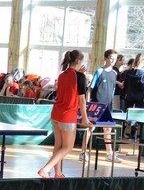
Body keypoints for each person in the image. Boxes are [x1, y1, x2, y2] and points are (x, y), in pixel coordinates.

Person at [38, 50, 89, 179]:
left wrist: (80, 75)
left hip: (56, 113)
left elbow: (70, 86)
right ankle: (46, 169)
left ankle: (58, 173)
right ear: (78, 61)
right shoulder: (80, 77)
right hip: (68, 115)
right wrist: (85, 118)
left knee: (59, 145)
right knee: (67, 147)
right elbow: (82, 99)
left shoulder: (62, 75)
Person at [87, 48, 122, 162]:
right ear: (105, 58)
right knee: (90, 128)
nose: (113, 61)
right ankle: (83, 152)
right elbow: (90, 89)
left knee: (107, 129)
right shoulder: (99, 71)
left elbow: (112, 90)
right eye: (111, 58)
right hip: (96, 105)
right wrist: (87, 104)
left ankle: (109, 154)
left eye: (115, 59)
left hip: (108, 106)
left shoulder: (115, 73)